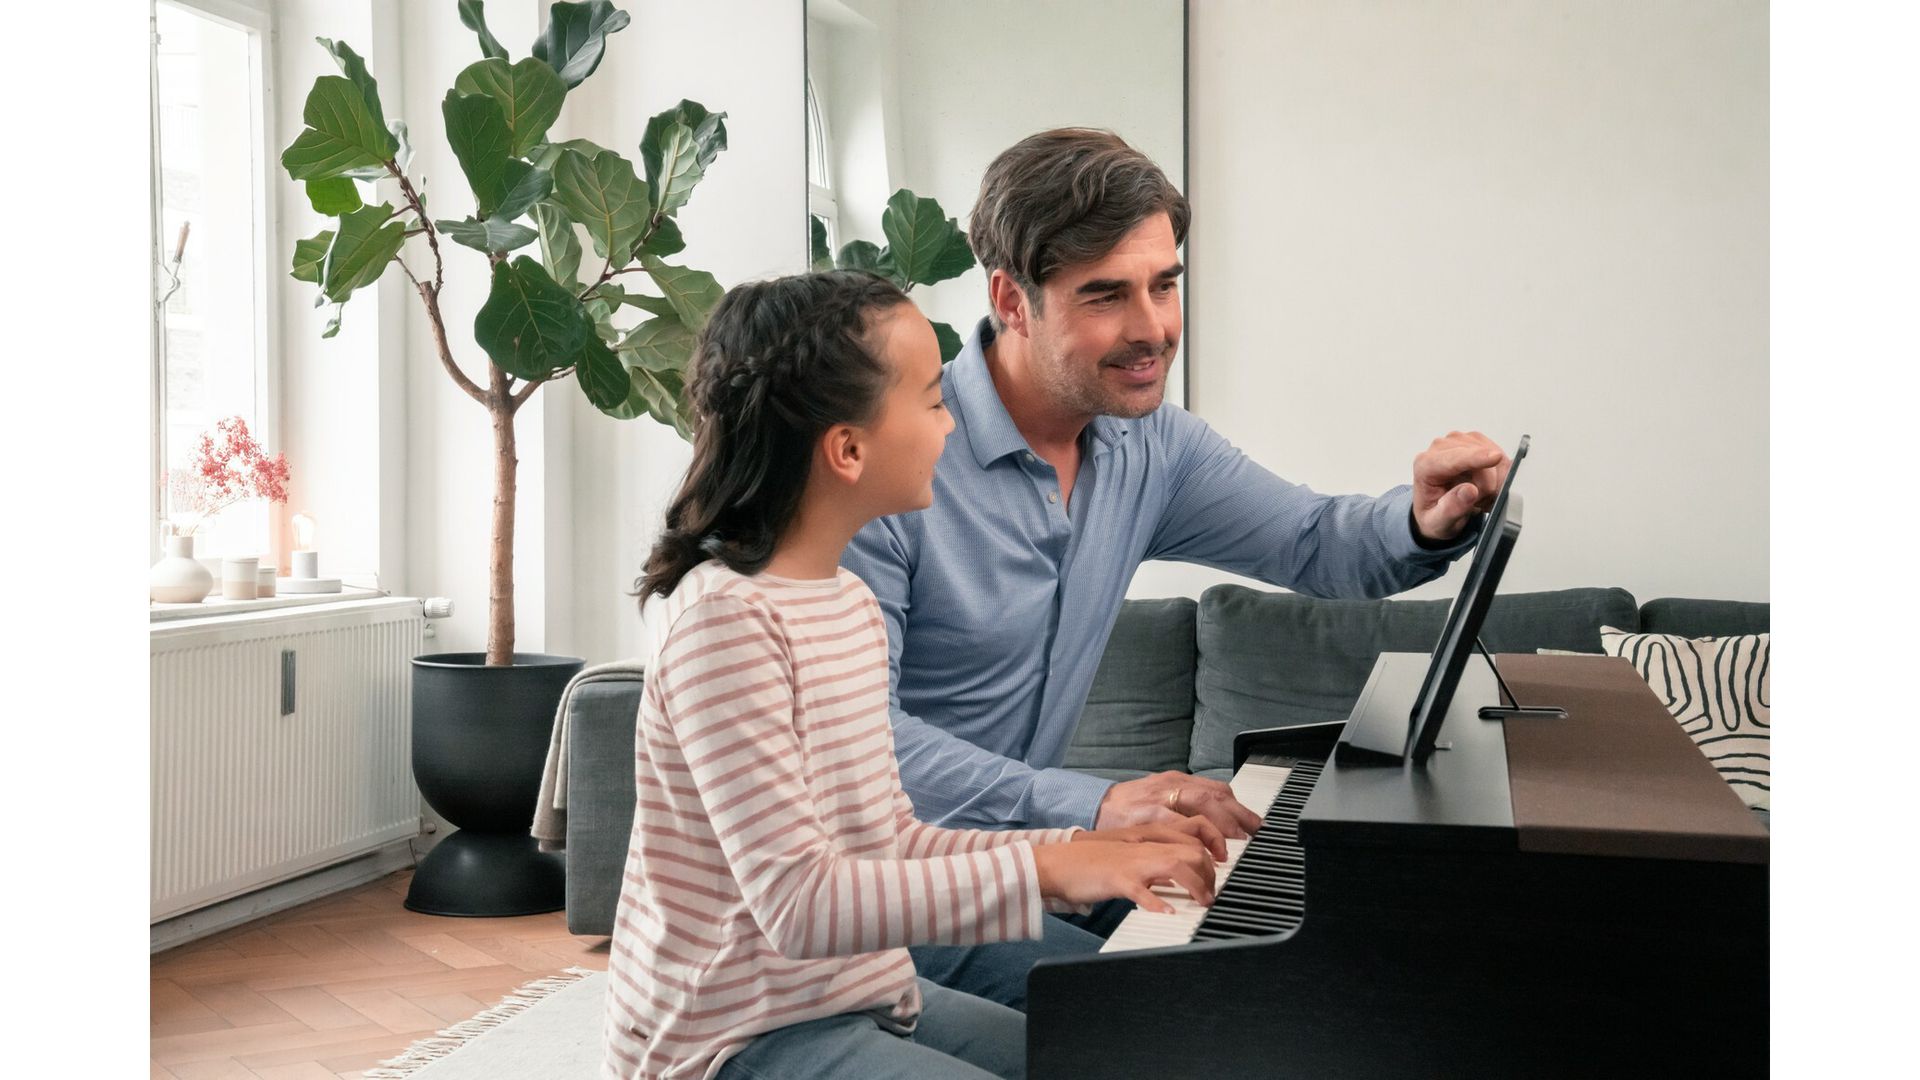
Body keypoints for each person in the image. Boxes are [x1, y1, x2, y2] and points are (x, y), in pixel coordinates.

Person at [840, 128, 1512, 1004]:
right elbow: (857, 742)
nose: (1152, 327)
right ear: (1012, 299)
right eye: (1106, 295)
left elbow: (1312, 539)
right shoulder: (893, 462)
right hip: (890, 890)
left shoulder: (1149, 444)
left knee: (1312, 981)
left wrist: (1423, 519)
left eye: (1164, 285)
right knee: (1172, 1018)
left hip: (1046, 862)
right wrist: (1096, 805)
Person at [604, 270, 1230, 1080]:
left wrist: (1084, 846)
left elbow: (892, 840)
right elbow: (799, 906)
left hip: (858, 990)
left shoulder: (852, 604)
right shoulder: (724, 622)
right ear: (849, 449)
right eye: (935, 400)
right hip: (734, 1039)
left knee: (1102, 1052)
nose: (953, 426)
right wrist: (1048, 867)